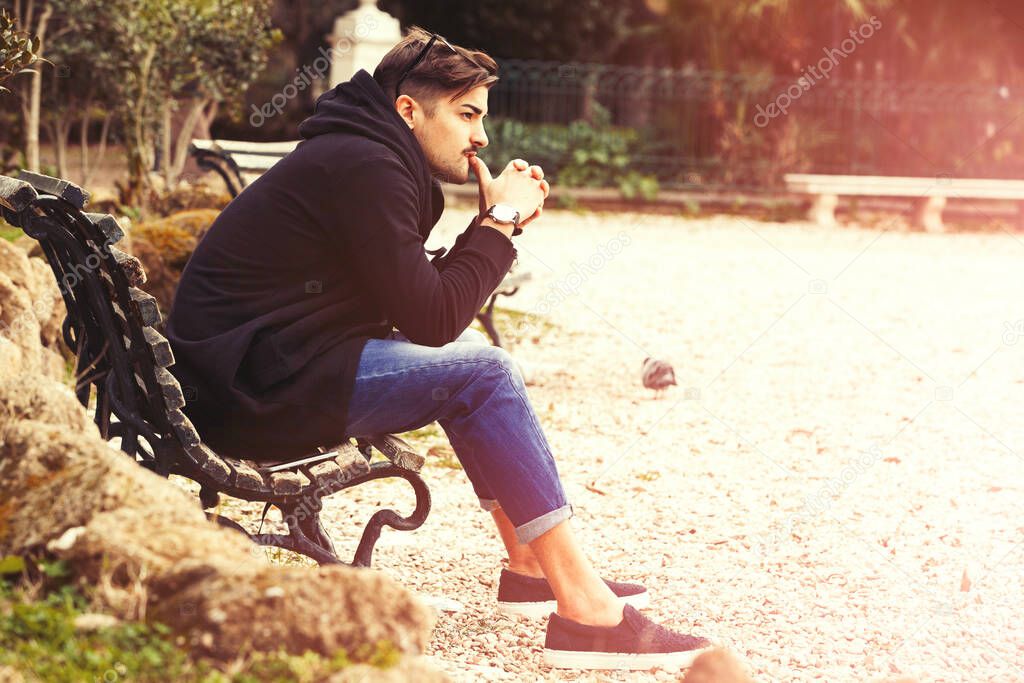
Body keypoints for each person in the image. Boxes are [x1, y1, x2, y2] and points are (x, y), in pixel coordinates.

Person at [166, 27, 710, 670]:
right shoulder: (365, 166)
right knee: (484, 370)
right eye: (467, 114)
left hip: (263, 368)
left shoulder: (364, 155)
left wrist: (488, 226)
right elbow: (432, 319)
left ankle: (531, 564)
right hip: (253, 389)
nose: (480, 136)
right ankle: (586, 613)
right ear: (408, 110)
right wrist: (500, 224)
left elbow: (424, 306)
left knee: (473, 367)